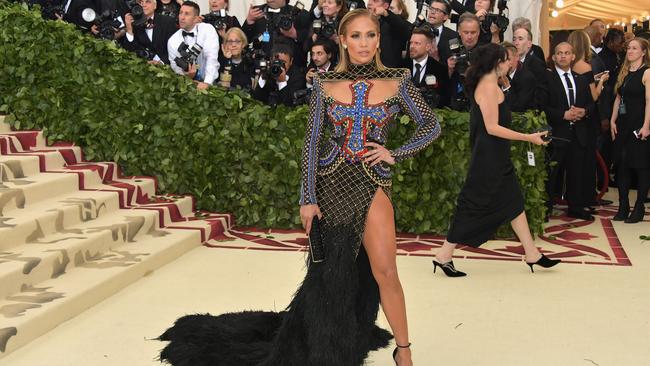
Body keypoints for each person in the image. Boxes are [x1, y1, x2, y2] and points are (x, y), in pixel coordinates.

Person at [158, 9, 441, 366]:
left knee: (385, 271)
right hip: (331, 183)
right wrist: (307, 199)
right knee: (330, 276)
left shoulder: (397, 80)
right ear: (342, 40)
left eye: (370, 35)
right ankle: (329, 345)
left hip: (372, 183)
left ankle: (405, 351)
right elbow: (311, 144)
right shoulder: (324, 85)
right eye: (355, 36)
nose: (364, 43)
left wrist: (394, 153)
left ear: (379, 39)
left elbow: (430, 126)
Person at [432, 43, 559, 277]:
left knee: (513, 202)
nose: (510, 63)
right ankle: (443, 255)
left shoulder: (493, 84)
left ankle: (532, 253)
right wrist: (528, 137)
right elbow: (492, 128)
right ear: (496, 63)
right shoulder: (488, 87)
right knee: (471, 205)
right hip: (488, 157)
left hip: (496, 155)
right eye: (506, 60)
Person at [543, 42, 598, 221]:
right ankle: (545, 209)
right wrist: (563, 115)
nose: (563, 56)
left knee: (577, 172)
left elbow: (591, 103)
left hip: (578, 133)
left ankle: (576, 207)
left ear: (573, 56)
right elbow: (542, 106)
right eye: (559, 53)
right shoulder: (547, 79)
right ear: (553, 57)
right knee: (552, 174)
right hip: (557, 133)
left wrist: (584, 111)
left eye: (567, 53)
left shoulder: (580, 79)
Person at [610, 38, 650, 223]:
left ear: (643, 52)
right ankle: (623, 205)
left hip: (639, 126)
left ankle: (639, 206)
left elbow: (649, 102)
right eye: (629, 48)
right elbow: (618, 98)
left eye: (635, 48)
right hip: (623, 126)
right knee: (622, 166)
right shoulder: (624, 72)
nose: (630, 51)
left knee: (640, 167)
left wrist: (646, 126)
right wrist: (612, 120)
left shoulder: (647, 72)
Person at [168, 1, 220, 90]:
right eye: (181, 13)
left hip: (210, 83)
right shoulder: (173, 40)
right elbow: (175, 66)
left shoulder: (207, 30)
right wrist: (187, 77)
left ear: (196, 18)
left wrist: (207, 83)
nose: (182, 17)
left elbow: (211, 58)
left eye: (187, 14)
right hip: (186, 86)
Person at [243, 0, 311, 68]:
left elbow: (310, 41)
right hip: (262, 67)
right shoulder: (256, 12)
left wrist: (294, 34)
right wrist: (249, 21)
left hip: (293, 70)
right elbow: (242, 41)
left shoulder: (301, 14)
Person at [404, 27, 450, 108]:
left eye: (417, 43)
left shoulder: (440, 69)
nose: (412, 46)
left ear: (428, 47)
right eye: (411, 43)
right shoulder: (400, 66)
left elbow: (445, 100)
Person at [122, 0, 177, 64]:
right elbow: (129, 50)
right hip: (142, 68)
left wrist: (161, 63)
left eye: (148, 2)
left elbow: (174, 48)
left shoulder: (168, 22)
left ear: (155, 6)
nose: (144, 5)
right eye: (141, 2)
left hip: (166, 68)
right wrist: (129, 29)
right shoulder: (133, 24)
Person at [251, 42, 306, 106]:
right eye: (276, 62)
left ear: (291, 61)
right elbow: (257, 100)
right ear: (271, 60)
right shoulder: (267, 72)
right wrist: (263, 78)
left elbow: (289, 105)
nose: (279, 65)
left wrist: (282, 82)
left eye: (283, 62)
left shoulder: (298, 77)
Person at [366, 0, 411, 67]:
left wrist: (385, 13)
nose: (369, 3)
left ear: (385, 6)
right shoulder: (364, 22)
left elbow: (404, 27)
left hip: (389, 73)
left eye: (375, 1)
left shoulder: (392, 25)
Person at [500, 41, 536, 112]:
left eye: (508, 59)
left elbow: (519, 107)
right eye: (501, 60)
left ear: (517, 57)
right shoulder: (497, 75)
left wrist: (506, 87)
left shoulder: (527, 78)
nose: (503, 63)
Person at [426, 0, 459, 65]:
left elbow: (454, 64)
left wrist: (435, 58)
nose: (432, 12)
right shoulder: (418, 31)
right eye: (431, 8)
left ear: (445, 17)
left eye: (437, 10)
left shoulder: (454, 37)